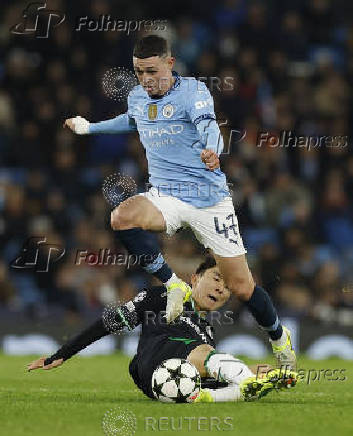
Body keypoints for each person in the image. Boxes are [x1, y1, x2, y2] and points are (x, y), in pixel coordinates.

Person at [63, 35, 296, 370]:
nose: (145, 79)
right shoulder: (138, 96)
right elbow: (131, 119)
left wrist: (213, 150)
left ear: (170, 64)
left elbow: (209, 126)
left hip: (208, 201)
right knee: (121, 217)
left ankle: (278, 337)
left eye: (152, 71)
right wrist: (90, 128)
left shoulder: (194, 92)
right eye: (139, 72)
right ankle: (173, 284)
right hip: (166, 195)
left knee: (243, 287)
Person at [27, 257, 297, 402]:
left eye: (227, 287)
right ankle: (243, 383)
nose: (220, 288)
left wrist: (266, 373)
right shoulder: (162, 297)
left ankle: (228, 391)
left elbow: (210, 371)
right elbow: (108, 323)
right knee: (206, 355)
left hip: (174, 382)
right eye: (216, 278)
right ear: (195, 278)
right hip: (152, 364)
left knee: (233, 368)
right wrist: (63, 353)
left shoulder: (208, 332)